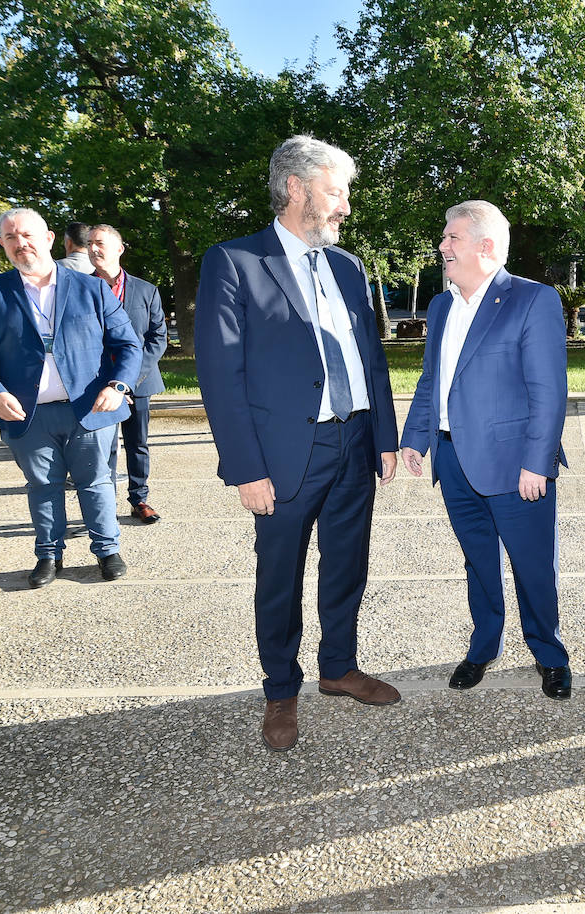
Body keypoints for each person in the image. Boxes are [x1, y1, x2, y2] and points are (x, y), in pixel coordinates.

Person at [195, 135, 401, 752]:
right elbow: (219, 375)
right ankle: (281, 687)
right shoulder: (234, 262)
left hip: (354, 442)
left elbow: (372, 360)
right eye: (336, 192)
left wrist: (383, 436)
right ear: (296, 188)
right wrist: (245, 468)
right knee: (279, 575)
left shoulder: (348, 266)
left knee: (347, 564)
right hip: (285, 455)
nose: (345, 206)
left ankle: (338, 667)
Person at [400, 201, 571, 700]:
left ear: (487, 247)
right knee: (478, 561)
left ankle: (550, 654)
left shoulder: (532, 300)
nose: (442, 246)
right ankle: (483, 647)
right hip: (453, 460)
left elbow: (548, 392)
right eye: (444, 237)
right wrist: (415, 437)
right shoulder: (441, 305)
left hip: (516, 465)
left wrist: (537, 462)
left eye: (452, 238)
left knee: (533, 564)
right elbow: (433, 379)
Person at [0, 208, 141, 588]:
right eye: (10, 237)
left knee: (98, 483)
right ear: (3, 245)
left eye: (27, 235)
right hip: (27, 412)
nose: (20, 243)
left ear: (49, 239)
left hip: (89, 407)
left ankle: (107, 550)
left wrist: (118, 385)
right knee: (42, 486)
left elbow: (128, 344)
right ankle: (48, 554)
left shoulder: (92, 287)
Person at [88, 224, 167, 524]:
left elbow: (157, 338)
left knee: (137, 445)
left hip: (139, 383)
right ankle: (102, 506)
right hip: (95, 386)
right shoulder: (78, 287)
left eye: (101, 243)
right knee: (100, 449)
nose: (94, 249)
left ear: (119, 249)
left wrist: (126, 383)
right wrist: (109, 384)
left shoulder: (146, 290)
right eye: (90, 243)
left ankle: (140, 499)